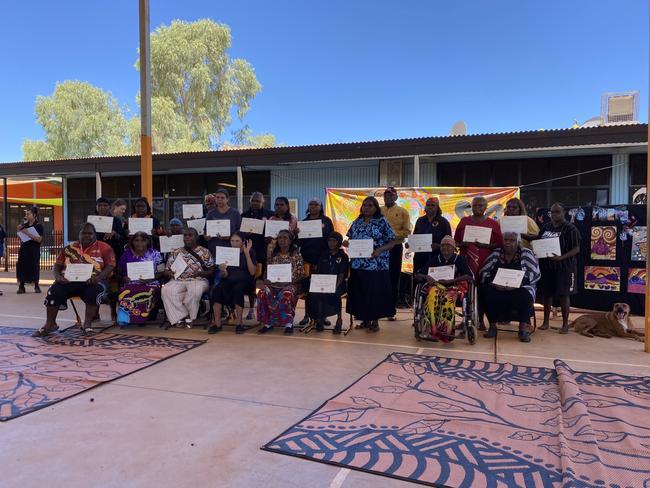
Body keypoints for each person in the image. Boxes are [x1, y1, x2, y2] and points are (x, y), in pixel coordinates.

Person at [34, 223, 116, 337]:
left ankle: (87, 324)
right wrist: (58, 277)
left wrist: (98, 277)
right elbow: (57, 265)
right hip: (68, 281)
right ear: (79, 234)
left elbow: (111, 265)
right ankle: (50, 324)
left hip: (92, 281)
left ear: (95, 235)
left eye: (90, 233)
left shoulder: (105, 247)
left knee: (95, 290)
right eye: (84, 233)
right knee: (54, 290)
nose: (87, 236)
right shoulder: (69, 248)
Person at [345, 196, 397, 332]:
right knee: (361, 292)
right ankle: (364, 320)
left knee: (374, 293)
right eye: (364, 205)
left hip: (376, 264)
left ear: (376, 208)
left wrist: (379, 250)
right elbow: (350, 238)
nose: (366, 208)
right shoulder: (357, 221)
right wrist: (347, 244)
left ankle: (374, 321)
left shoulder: (381, 221)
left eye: (370, 205)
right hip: (358, 264)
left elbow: (392, 242)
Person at [479, 231, 541, 342]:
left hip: (519, 287)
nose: (508, 243)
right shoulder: (496, 253)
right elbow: (484, 271)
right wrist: (493, 283)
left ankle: (522, 329)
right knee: (485, 291)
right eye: (506, 240)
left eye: (512, 240)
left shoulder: (526, 253)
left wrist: (517, 285)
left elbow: (535, 274)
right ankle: (492, 327)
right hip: (498, 287)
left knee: (526, 295)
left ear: (518, 242)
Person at [454, 196, 503, 329]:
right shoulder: (464, 221)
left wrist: (486, 245)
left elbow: (499, 244)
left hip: (485, 262)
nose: (477, 208)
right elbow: (456, 241)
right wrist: (461, 244)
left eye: (480, 206)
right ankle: (465, 320)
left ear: (485, 208)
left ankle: (480, 320)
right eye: (475, 205)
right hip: (466, 261)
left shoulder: (493, 223)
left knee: (483, 292)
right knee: (465, 291)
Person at [414, 236, 472, 342]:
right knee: (432, 296)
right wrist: (426, 277)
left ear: (454, 248)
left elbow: (469, 276)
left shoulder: (459, 259)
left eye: (448, 245)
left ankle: (446, 332)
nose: (445, 247)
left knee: (447, 299)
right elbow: (418, 274)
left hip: (453, 287)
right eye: (443, 245)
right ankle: (431, 330)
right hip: (436, 286)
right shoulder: (435, 259)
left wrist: (451, 280)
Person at [536, 202, 581, 334]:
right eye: (552, 212)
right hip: (547, 266)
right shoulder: (546, 227)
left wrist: (561, 257)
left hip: (564, 266)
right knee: (547, 294)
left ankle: (565, 325)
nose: (554, 214)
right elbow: (539, 240)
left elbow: (576, 248)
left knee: (563, 295)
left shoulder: (570, 228)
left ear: (564, 213)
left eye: (557, 212)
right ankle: (545, 322)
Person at [161, 228, 214, 328]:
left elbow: (211, 270)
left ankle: (190, 317)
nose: (187, 237)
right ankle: (182, 316)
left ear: (197, 237)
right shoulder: (176, 252)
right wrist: (170, 273)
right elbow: (166, 270)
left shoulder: (205, 251)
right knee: (166, 290)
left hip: (198, 280)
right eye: (185, 235)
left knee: (194, 290)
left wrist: (200, 273)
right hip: (178, 280)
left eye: (190, 235)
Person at [208, 231, 257, 335]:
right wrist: (223, 270)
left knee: (238, 289)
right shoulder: (227, 253)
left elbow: (252, 272)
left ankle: (239, 323)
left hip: (245, 281)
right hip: (229, 279)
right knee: (217, 289)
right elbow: (224, 275)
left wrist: (247, 253)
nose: (234, 243)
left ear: (243, 241)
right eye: (232, 241)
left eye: (237, 241)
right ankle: (217, 323)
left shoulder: (250, 251)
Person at [257, 229, 304, 335]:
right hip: (274, 284)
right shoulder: (273, 255)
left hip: (291, 284)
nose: (282, 240)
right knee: (263, 292)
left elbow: (301, 274)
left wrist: (288, 282)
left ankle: (288, 324)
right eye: (280, 238)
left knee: (286, 294)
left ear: (290, 241)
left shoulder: (296, 255)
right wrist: (266, 280)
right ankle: (268, 323)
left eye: (285, 238)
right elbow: (266, 272)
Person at [297, 198, 334, 326]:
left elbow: (332, 238)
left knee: (321, 288)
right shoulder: (304, 222)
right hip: (307, 259)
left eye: (315, 204)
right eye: (311, 204)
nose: (313, 206)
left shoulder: (326, 221)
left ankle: (323, 316)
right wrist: (297, 234)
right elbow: (299, 243)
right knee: (307, 288)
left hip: (323, 259)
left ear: (320, 206)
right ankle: (307, 315)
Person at [116, 232, 163, 326]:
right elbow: (118, 273)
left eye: (143, 240)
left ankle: (141, 318)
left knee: (148, 291)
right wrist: (123, 278)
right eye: (136, 240)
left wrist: (150, 279)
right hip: (130, 282)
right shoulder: (126, 255)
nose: (139, 243)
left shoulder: (155, 254)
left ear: (148, 242)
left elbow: (161, 272)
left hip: (151, 282)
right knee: (127, 291)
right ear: (132, 242)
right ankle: (126, 319)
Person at [307, 232, 349, 334]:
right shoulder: (324, 255)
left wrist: (335, 285)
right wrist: (317, 284)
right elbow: (318, 271)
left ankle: (339, 321)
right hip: (323, 282)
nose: (331, 243)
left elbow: (342, 274)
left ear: (339, 242)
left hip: (339, 283)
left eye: (334, 241)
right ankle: (319, 318)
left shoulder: (343, 256)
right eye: (329, 240)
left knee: (335, 293)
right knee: (315, 293)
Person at [241, 192, 273, 319]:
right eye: (253, 201)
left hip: (265, 253)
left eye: (257, 201)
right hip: (249, 254)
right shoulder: (244, 215)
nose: (255, 203)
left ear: (262, 202)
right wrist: (245, 234)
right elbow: (239, 234)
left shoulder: (269, 215)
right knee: (251, 282)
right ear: (250, 201)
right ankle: (251, 309)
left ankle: (266, 307)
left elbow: (274, 230)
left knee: (266, 281)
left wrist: (269, 238)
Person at [381, 187, 411, 315]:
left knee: (393, 278)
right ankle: (378, 308)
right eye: (386, 195)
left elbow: (406, 231)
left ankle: (390, 310)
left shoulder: (403, 212)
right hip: (380, 249)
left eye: (391, 195)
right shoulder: (379, 210)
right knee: (380, 277)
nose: (388, 197)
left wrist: (391, 235)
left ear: (396, 197)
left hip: (395, 247)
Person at [410, 197, 452, 278]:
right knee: (419, 279)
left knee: (435, 282)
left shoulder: (444, 222)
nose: (429, 207)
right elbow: (414, 237)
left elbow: (449, 242)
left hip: (437, 257)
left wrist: (438, 246)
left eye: (432, 205)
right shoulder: (420, 221)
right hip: (420, 257)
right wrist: (410, 244)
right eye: (428, 205)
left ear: (437, 207)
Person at [16, 206, 43, 294]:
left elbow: (39, 239)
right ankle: (21, 286)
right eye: (26, 214)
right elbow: (20, 235)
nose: (26, 216)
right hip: (24, 249)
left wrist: (28, 233)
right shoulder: (25, 225)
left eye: (28, 214)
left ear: (34, 215)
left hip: (34, 250)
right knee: (22, 266)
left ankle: (36, 285)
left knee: (34, 266)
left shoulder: (39, 226)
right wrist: (19, 230)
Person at [206, 188, 242, 254]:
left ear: (227, 199)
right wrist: (206, 237)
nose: (219, 199)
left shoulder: (235, 213)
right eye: (217, 197)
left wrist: (230, 237)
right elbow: (205, 231)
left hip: (230, 249)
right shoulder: (210, 214)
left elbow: (240, 231)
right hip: (214, 249)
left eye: (222, 198)